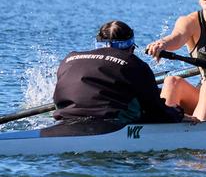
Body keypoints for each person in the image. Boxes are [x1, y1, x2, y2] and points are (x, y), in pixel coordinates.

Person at [51, 20, 183, 134]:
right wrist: (177, 113)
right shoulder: (135, 64)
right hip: (108, 126)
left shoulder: (70, 58)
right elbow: (157, 111)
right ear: (131, 48)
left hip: (65, 119)